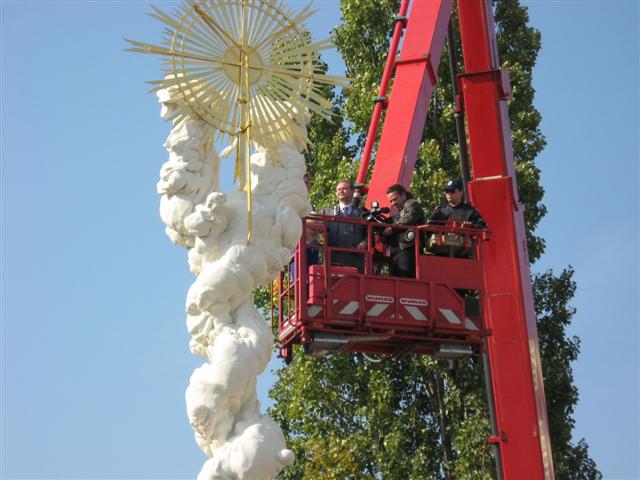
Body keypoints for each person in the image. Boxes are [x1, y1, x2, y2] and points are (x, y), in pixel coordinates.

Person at [428, 178, 486, 258]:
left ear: (461, 192)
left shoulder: (470, 211)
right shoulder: (440, 211)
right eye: (446, 191)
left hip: (462, 257)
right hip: (440, 256)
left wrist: (469, 227)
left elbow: (482, 226)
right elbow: (428, 230)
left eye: (452, 190)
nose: (449, 193)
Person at [319, 180, 367, 271]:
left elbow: (369, 236)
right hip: (332, 261)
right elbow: (317, 232)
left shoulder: (362, 214)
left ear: (352, 192)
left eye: (344, 189)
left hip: (355, 262)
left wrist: (364, 243)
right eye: (338, 189)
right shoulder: (326, 212)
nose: (341, 191)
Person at [382, 184, 425, 278]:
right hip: (399, 251)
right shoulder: (400, 212)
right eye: (391, 201)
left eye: (395, 199)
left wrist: (392, 228)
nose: (393, 203)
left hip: (408, 250)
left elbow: (409, 217)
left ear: (403, 195)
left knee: (404, 279)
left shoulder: (412, 204)